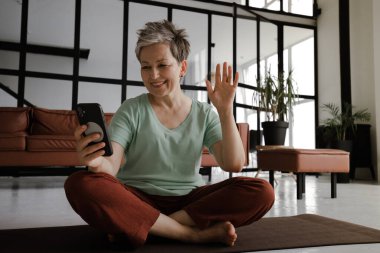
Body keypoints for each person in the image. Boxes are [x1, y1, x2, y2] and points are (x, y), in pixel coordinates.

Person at [64, 20, 274, 249]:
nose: (153, 75)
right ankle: (189, 234)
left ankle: (143, 226)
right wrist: (96, 162)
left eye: (162, 65)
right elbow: (111, 167)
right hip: (136, 198)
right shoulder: (131, 109)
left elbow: (233, 164)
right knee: (80, 183)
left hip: (188, 203)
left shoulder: (203, 113)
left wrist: (225, 111)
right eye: (145, 67)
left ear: (182, 67)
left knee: (262, 191)